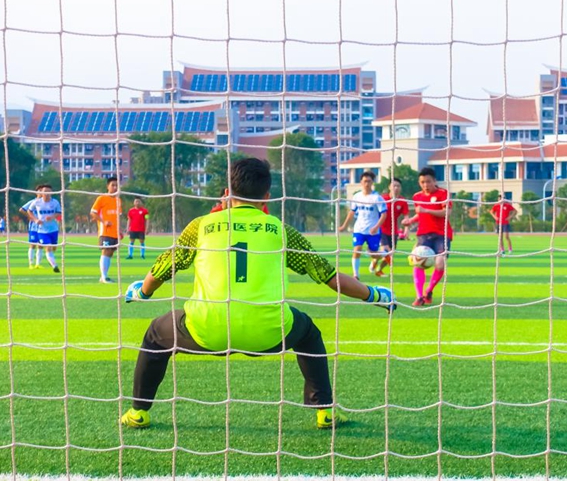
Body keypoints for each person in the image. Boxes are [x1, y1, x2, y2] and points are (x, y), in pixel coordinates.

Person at [119, 158, 395, 430]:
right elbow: (331, 278)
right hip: (270, 334)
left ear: (226, 193)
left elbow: (163, 269)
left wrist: (142, 292)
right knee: (309, 333)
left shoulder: (201, 226)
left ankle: (138, 412)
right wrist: (374, 295)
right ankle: (324, 412)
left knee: (156, 334)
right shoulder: (280, 230)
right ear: (267, 196)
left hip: (207, 330)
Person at [401, 167, 453, 307]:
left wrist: (427, 210)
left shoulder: (443, 193)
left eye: (428, 182)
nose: (425, 185)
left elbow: (447, 212)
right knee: (417, 262)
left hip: (442, 234)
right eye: (422, 182)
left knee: (440, 263)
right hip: (423, 234)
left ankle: (429, 291)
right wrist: (410, 221)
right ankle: (419, 297)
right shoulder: (417, 196)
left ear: (435, 181)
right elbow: (420, 214)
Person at [338, 171, 387, 280]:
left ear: (372, 182)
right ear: (361, 182)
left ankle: (382, 255)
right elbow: (352, 212)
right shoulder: (357, 196)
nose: (367, 184)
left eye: (369, 181)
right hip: (359, 229)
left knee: (374, 254)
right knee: (357, 249)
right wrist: (344, 226)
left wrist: (376, 227)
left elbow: (384, 214)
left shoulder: (377, 198)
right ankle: (356, 275)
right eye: (365, 181)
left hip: (372, 231)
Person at [375, 178, 410, 277]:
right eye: (394, 186)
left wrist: (406, 230)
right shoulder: (382, 199)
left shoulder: (402, 201)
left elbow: (406, 217)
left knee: (390, 254)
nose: (396, 188)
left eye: (398, 186)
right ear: (389, 187)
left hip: (393, 231)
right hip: (381, 229)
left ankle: (378, 269)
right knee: (386, 251)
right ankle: (374, 259)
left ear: (401, 188)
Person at [90, 177, 122, 283]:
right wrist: (104, 222)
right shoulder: (102, 198)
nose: (115, 187)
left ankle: (104, 276)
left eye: (117, 185)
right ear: (107, 186)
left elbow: (118, 217)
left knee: (110, 253)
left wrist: (120, 230)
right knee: (105, 251)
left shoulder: (118, 200)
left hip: (115, 232)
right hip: (105, 231)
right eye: (113, 185)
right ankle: (104, 276)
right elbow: (93, 213)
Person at [27, 184, 63, 273]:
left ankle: (51, 260)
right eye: (45, 192)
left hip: (53, 229)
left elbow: (59, 212)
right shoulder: (36, 202)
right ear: (41, 193)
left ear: (51, 193)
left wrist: (52, 217)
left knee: (53, 248)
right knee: (48, 247)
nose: (46, 194)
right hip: (42, 230)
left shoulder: (55, 202)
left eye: (49, 192)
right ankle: (55, 266)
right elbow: (29, 211)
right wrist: (35, 219)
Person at [19, 186, 43, 269]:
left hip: (43, 227)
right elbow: (22, 209)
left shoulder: (45, 203)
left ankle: (38, 264)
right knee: (32, 245)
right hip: (33, 227)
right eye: (40, 191)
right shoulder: (32, 202)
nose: (42, 192)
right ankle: (31, 263)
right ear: (36, 192)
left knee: (41, 245)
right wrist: (30, 216)